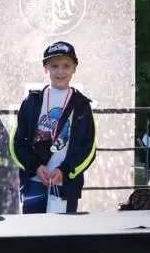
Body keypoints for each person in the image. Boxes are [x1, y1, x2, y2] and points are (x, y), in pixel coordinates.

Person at [10, 41, 97, 214]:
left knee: (63, 231)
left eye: (66, 66)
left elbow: (88, 148)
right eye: (54, 66)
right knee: (32, 229)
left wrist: (65, 170)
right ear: (46, 68)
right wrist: (35, 167)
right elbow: (16, 143)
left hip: (65, 185)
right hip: (34, 182)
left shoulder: (82, 105)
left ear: (75, 68)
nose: (60, 71)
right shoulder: (31, 101)